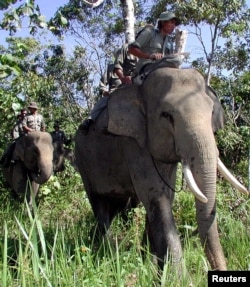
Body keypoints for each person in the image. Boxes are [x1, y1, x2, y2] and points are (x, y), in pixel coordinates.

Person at [80, 43, 137, 134]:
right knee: (102, 102)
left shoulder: (133, 68)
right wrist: (104, 91)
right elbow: (102, 83)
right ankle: (89, 121)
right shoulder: (111, 68)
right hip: (113, 93)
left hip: (129, 91)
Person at [128, 11, 181, 75]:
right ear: (163, 22)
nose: (173, 26)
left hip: (163, 67)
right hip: (147, 66)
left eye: (175, 24)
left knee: (177, 59)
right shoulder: (149, 33)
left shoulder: (170, 43)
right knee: (177, 60)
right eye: (172, 23)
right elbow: (131, 49)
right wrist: (150, 56)